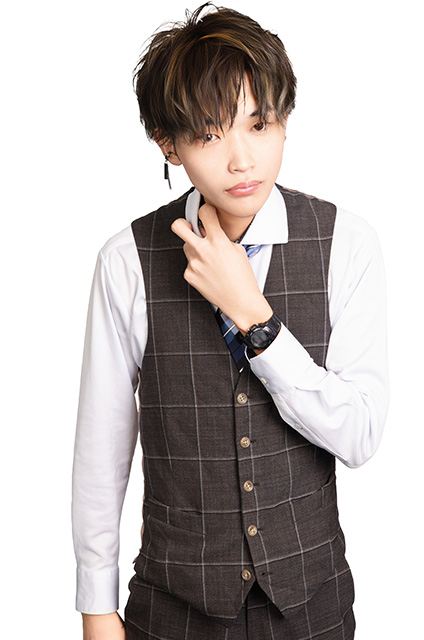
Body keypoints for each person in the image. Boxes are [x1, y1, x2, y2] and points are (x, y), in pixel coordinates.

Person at [72, 3, 389, 639]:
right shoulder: (128, 260)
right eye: (211, 135)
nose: (242, 159)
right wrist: (95, 607)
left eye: (259, 124)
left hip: (312, 607)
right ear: (168, 143)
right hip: (173, 608)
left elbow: (359, 435)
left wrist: (254, 316)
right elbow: (102, 446)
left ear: (285, 120)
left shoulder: (347, 244)